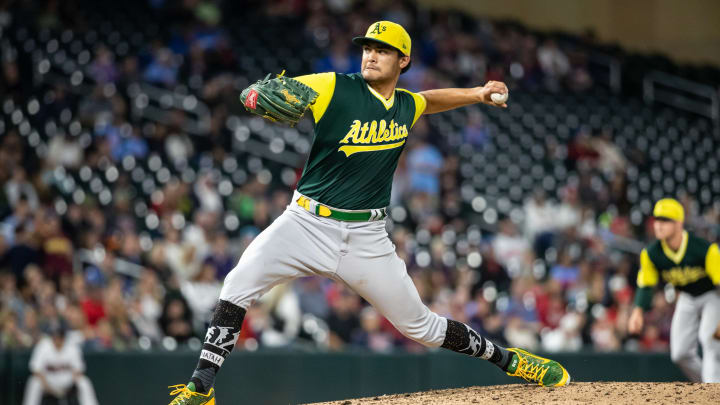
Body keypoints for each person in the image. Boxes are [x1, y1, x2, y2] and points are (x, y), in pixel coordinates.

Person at [168, 21, 570, 404]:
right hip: (305, 223)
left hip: (367, 237)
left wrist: (477, 93)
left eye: (383, 50)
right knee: (237, 284)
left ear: (404, 61)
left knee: (423, 328)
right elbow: (271, 92)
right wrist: (253, 96)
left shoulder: (405, 105)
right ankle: (201, 387)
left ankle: (512, 361)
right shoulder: (333, 87)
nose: (371, 56)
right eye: (367, 49)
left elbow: (429, 100)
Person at [628, 198, 720, 382]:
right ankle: (708, 387)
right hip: (687, 297)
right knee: (679, 353)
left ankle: (713, 390)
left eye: (665, 220)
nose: (658, 225)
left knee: (710, 340)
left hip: (713, 295)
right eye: (657, 220)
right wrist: (637, 311)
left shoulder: (704, 249)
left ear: (679, 223)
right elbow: (646, 284)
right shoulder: (651, 253)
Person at [23, 319, 99, 405]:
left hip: (67, 380)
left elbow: (78, 371)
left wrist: (69, 386)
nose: (57, 339)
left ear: (63, 336)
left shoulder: (71, 346)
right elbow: (36, 370)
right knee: (34, 382)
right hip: (48, 379)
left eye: (59, 336)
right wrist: (48, 387)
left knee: (84, 382)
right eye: (54, 336)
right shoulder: (43, 345)